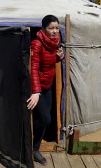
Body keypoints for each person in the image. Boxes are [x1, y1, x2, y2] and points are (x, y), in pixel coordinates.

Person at [27, 15, 64, 166]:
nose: (55, 31)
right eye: (51, 28)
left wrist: (59, 58)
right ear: (43, 29)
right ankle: (33, 148)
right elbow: (34, 68)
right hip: (38, 86)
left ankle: (34, 147)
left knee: (42, 118)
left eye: (57, 28)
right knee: (46, 119)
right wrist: (36, 91)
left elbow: (48, 62)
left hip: (48, 84)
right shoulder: (36, 44)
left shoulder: (55, 42)